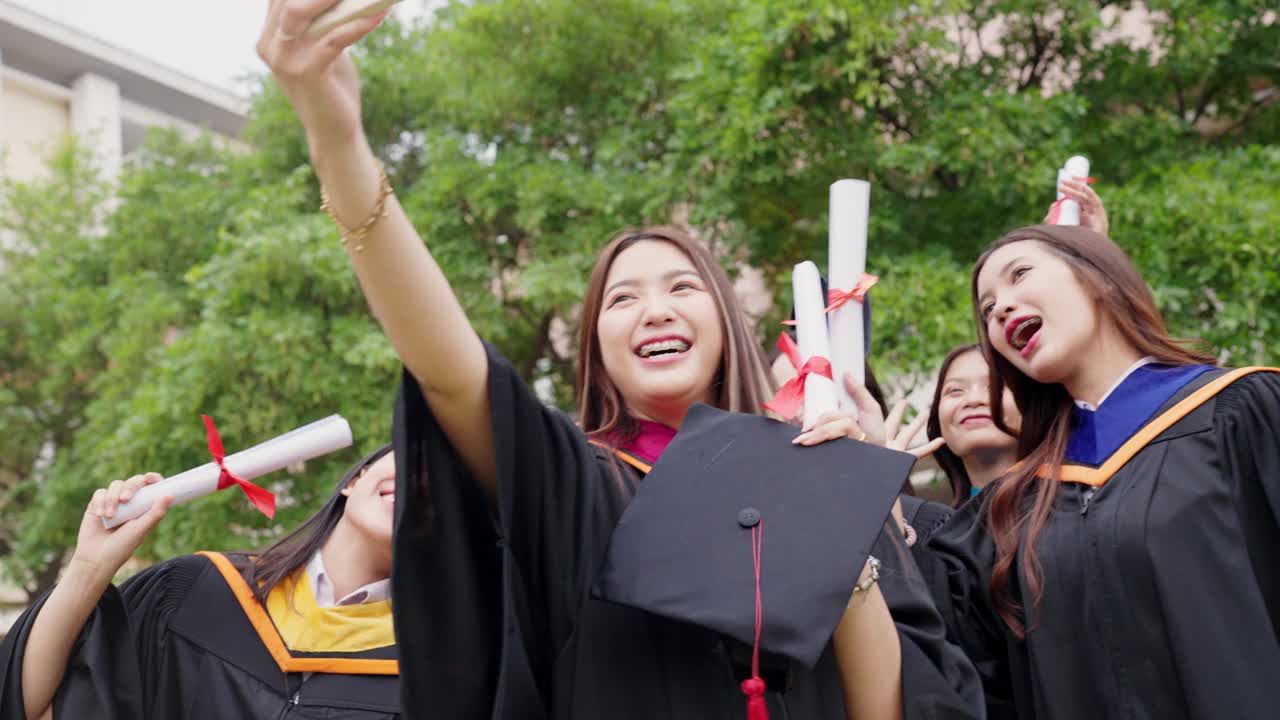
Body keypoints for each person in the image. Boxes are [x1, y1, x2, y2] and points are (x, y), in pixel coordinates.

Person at [253, 7, 984, 719]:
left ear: (727, 323)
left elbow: (897, 705)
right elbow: (448, 367)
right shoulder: (576, 489)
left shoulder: (825, 477)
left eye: (682, 288)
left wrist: (837, 536)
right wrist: (338, 138)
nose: (655, 310)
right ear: (599, 350)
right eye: (621, 299)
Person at [922, 224, 1280, 719]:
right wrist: (864, 479)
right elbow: (950, 655)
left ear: (1098, 277)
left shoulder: (1240, 412)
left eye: (1021, 274)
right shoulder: (1016, 505)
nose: (999, 309)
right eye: (986, 309)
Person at [0, 444, 401, 719]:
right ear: (354, 479)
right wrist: (88, 566)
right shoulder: (193, 593)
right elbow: (29, 706)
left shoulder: (433, 673)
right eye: (412, 457)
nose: (422, 480)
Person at [924, 344, 1020, 506]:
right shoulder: (936, 528)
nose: (973, 400)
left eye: (996, 386)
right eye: (955, 390)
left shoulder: (1074, 507)